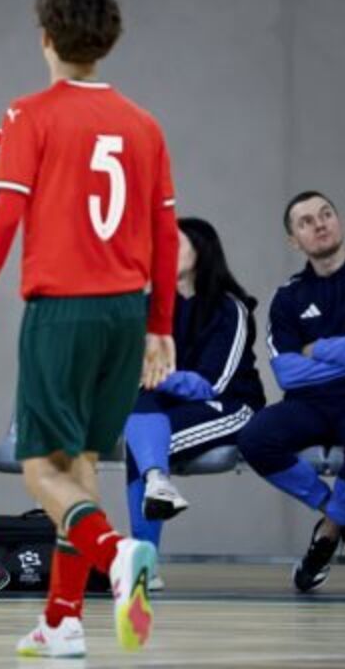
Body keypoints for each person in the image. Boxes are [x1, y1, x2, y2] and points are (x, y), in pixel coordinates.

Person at [0, 0, 179, 658]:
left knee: (37, 469)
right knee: (78, 465)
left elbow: (6, 217)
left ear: (45, 37)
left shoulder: (31, 114)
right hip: (126, 313)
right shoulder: (144, 124)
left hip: (63, 311)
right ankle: (63, 621)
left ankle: (114, 554)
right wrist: (160, 326)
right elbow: (165, 234)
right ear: (107, 43)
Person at [238, 192, 345, 592]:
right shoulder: (288, 298)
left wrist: (315, 349)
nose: (319, 224)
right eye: (305, 222)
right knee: (254, 438)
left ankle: (328, 533)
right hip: (311, 405)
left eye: (326, 214)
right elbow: (286, 373)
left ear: (339, 220)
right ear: (293, 240)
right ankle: (344, 514)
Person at [124, 218, 265, 589]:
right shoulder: (151, 305)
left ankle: (145, 561)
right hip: (170, 408)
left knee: (143, 443)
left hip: (231, 408)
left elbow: (213, 384)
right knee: (138, 418)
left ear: (201, 250)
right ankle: (157, 488)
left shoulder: (229, 308)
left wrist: (151, 374)